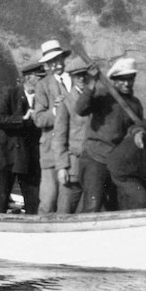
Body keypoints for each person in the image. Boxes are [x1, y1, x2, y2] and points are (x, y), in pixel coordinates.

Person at [75, 57, 144, 213]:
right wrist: (91, 82)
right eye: (122, 80)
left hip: (117, 163)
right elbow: (80, 109)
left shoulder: (135, 104)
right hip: (95, 158)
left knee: (117, 207)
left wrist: (139, 132)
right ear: (113, 80)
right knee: (93, 205)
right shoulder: (102, 95)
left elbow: (135, 128)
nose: (127, 84)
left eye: (130, 79)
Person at [0, 62, 46, 214]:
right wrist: (22, 119)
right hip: (5, 157)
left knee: (34, 203)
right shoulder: (10, 94)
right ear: (28, 78)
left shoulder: (44, 97)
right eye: (40, 77)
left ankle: (33, 232)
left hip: (30, 158)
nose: (43, 81)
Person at [33, 39, 72, 214]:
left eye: (58, 59)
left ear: (64, 58)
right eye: (51, 62)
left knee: (70, 198)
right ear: (47, 65)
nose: (55, 64)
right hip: (50, 152)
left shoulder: (77, 78)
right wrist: (55, 111)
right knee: (48, 200)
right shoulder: (42, 85)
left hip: (73, 148)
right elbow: (39, 119)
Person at [52, 56, 90, 214]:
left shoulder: (97, 99)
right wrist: (61, 167)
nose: (81, 78)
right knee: (65, 211)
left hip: (94, 166)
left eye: (84, 74)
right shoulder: (66, 102)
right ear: (72, 77)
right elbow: (59, 137)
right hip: (73, 167)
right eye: (77, 75)